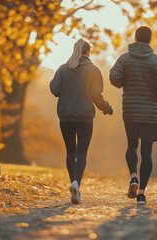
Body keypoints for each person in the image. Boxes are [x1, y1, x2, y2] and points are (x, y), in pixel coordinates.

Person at [109, 26, 157, 205]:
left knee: (131, 145)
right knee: (147, 152)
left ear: (135, 39)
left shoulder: (124, 59)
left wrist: (124, 82)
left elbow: (114, 78)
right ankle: (142, 194)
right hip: (152, 112)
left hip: (130, 109)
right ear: (150, 40)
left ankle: (133, 177)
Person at [50, 39, 113, 204]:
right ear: (88, 52)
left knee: (70, 151)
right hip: (85, 117)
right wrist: (106, 108)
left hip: (65, 117)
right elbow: (95, 95)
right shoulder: (93, 70)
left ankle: (73, 186)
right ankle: (77, 183)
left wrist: (59, 73)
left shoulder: (64, 69)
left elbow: (54, 89)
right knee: (81, 152)